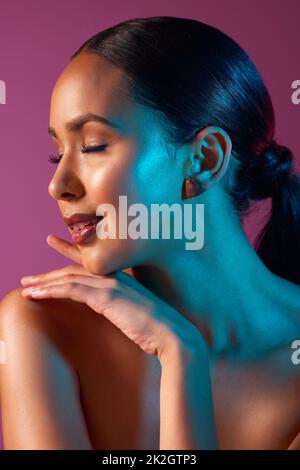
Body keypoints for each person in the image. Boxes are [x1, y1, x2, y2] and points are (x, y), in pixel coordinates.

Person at [1, 16, 300, 450]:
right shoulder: (43, 327)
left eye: (92, 147)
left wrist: (181, 359)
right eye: (57, 155)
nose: (58, 185)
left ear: (204, 159)